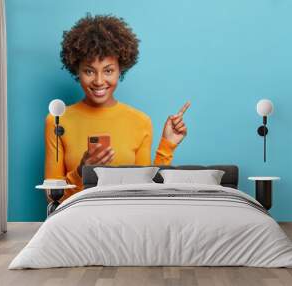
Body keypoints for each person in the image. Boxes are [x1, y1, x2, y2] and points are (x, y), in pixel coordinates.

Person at [45, 14, 190, 201]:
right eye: (89, 71)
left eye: (108, 70)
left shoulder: (140, 121)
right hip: (78, 220)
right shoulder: (57, 121)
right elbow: (51, 198)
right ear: (76, 69)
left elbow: (146, 192)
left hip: (126, 219)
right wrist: (82, 171)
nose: (98, 81)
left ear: (120, 69)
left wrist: (167, 146)